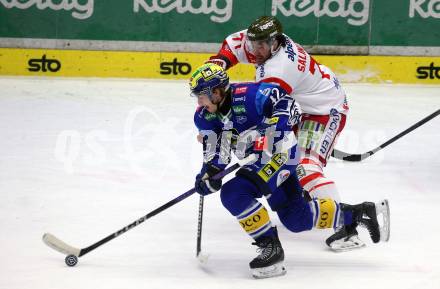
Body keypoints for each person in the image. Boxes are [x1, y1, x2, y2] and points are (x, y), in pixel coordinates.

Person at [189, 63, 390, 279]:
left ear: (216, 92)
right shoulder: (204, 117)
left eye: (201, 95)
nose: (199, 101)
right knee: (297, 219)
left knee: (234, 193)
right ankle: (359, 213)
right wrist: (209, 174)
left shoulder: (250, 95)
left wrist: (274, 130)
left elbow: (289, 105)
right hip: (257, 161)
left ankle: (271, 248)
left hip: (282, 154)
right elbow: (216, 151)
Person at [206, 16, 359, 251]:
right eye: (253, 44)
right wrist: (215, 69)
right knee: (289, 162)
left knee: (306, 166)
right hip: (300, 102)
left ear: (275, 42)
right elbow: (231, 46)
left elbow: (268, 112)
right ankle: (311, 204)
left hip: (323, 110)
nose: (255, 50)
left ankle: (347, 226)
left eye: (261, 46)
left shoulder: (280, 70)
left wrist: (254, 140)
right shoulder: (260, 42)